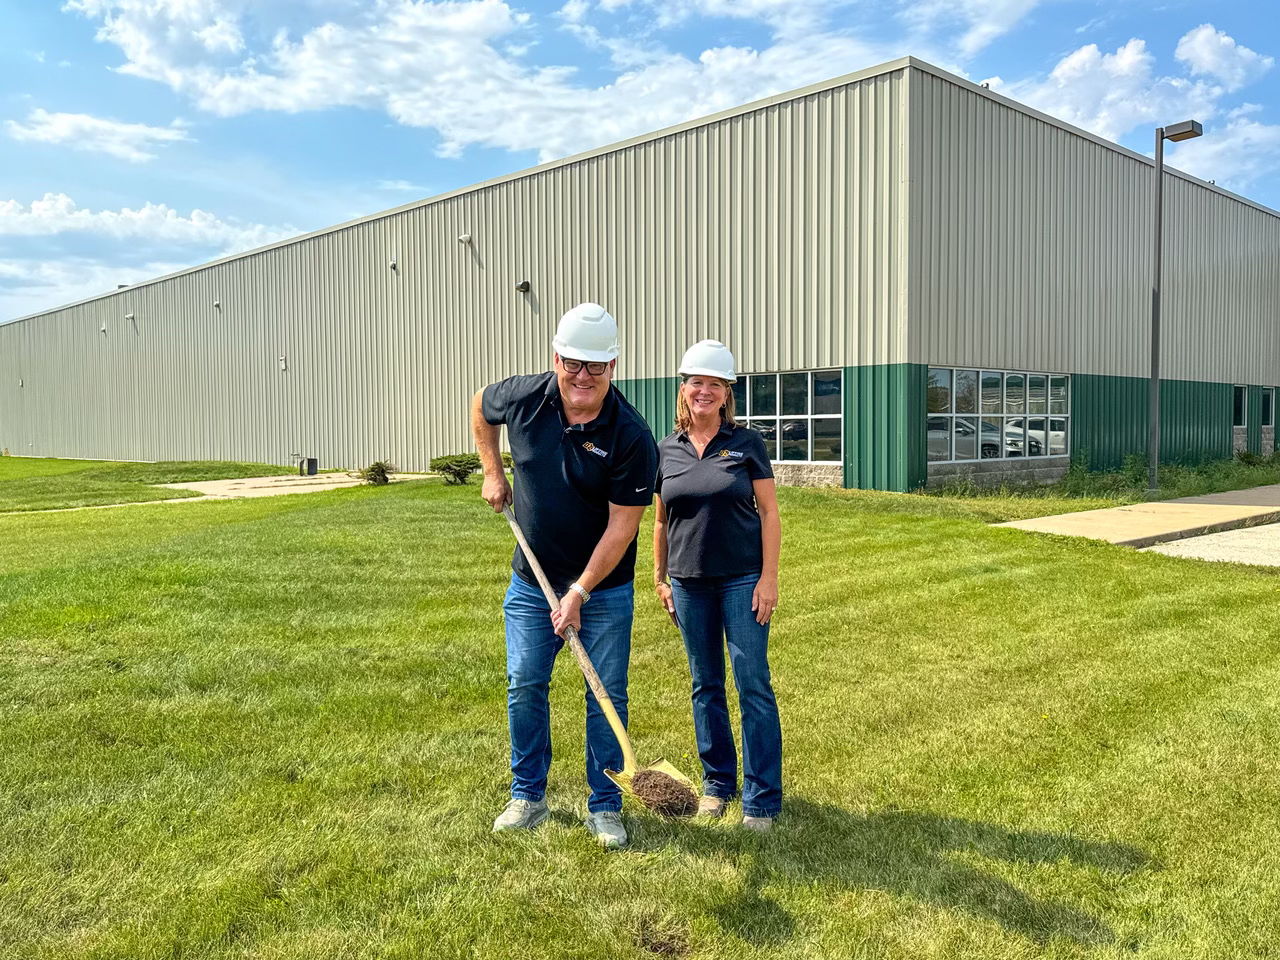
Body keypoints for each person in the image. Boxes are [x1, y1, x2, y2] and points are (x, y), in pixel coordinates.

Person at [471, 302, 658, 850]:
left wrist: (579, 591)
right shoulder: (527, 397)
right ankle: (528, 795)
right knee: (525, 684)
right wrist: (492, 470)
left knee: (606, 694)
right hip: (531, 583)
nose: (582, 376)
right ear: (556, 358)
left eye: (595, 366)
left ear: (613, 368)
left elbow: (622, 530)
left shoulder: (631, 436)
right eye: (573, 363)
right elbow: (481, 406)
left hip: (604, 589)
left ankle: (605, 806)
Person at [652, 339, 783, 830]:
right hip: (688, 585)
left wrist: (768, 579)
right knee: (705, 685)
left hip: (743, 581)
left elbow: (769, 513)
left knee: (752, 685)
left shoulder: (747, 445)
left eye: (714, 384)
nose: (703, 391)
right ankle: (717, 785)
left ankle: (762, 799)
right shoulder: (666, 450)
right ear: (683, 390)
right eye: (695, 383)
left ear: (727, 393)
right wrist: (660, 578)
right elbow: (661, 522)